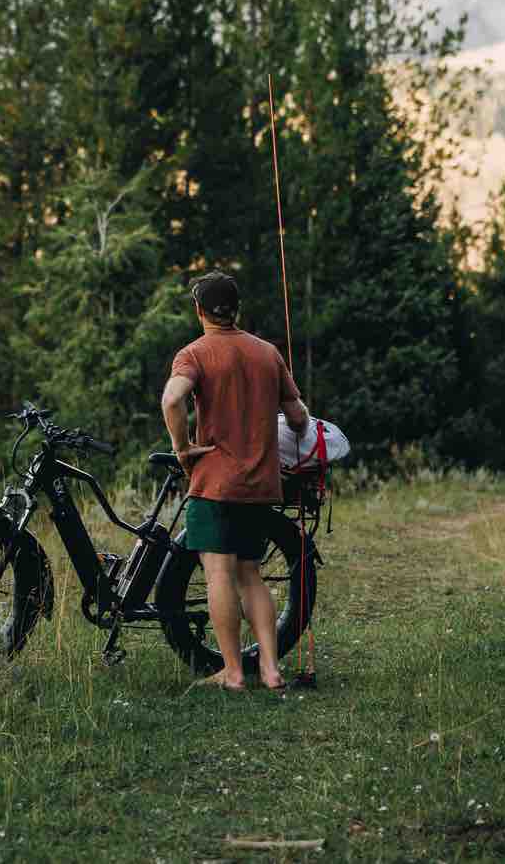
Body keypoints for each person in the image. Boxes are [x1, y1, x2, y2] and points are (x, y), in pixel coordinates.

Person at [159, 270, 310, 692]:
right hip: (262, 484)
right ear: (236, 308)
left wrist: (182, 447)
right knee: (251, 574)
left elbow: (173, 398)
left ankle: (233, 671)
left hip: (216, 484)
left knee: (219, 574)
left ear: (199, 310)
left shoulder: (194, 353)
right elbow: (298, 416)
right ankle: (271, 669)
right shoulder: (267, 353)